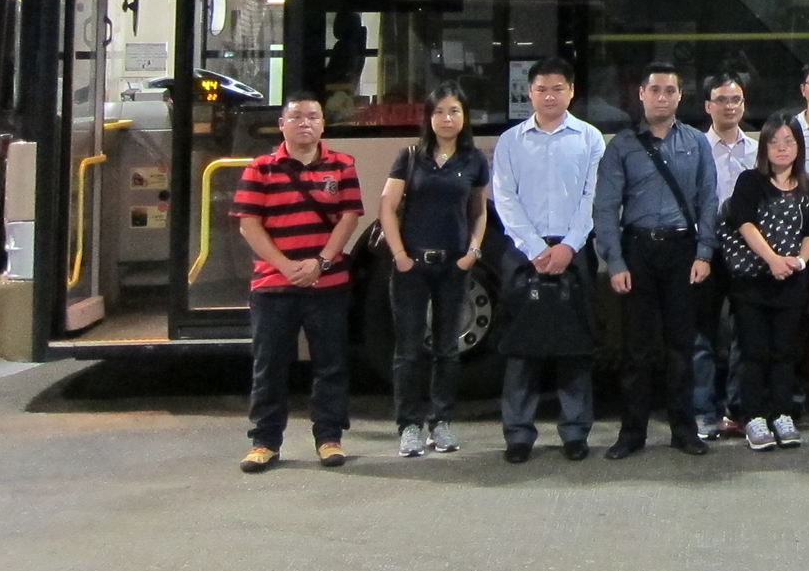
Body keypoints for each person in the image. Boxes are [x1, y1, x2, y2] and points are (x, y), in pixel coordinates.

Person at [593, 63, 716, 460]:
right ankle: (632, 433)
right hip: (637, 251)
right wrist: (615, 262)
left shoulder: (696, 142)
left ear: (680, 96)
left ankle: (684, 430)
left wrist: (704, 252)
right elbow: (605, 207)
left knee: (682, 346)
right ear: (641, 94)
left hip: (683, 250)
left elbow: (708, 200)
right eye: (656, 90)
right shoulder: (622, 146)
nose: (663, 97)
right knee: (636, 349)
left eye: (670, 91)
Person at [233, 94, 363, 472]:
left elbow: (349, 218)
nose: (305, 123)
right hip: (273, 285)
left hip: (329, 283)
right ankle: (265, 442)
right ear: (281, 125)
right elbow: (249, 225)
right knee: (269, 365)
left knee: (331, 364)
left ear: (323, 124)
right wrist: (286, 267)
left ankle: (329, 438)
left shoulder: (343, 165)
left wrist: (320, 263)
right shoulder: (260, 168)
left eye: (313, 117)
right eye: (296, 117)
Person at [492, 56, 606, 462]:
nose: (550, 96)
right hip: (524, 253)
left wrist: (569, 246)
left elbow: (594, 197)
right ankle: (518, 434)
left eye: (558, 88)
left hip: (575, 250)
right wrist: (536, 248)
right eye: (541, 89)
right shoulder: (511, 141)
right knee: (521, 347)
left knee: (574, 346)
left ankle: (575, 432)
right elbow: (504, 198)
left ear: (571, 92)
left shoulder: (590, 138)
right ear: (529, 93)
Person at [378, 84, 489, 458]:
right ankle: (408, 426)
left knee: (447, 350)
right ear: (428, 118)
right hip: (412, 266)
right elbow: (387, 206)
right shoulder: (410, 157)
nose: (447, 119)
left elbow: (479, 211)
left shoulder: (474, 160)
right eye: (439, 111)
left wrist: (473, 251)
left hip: (453, 266)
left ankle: (441, 421)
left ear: (464, 117)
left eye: (454, 111)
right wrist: (399, 255)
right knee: (409, 350)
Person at [723, 113, 809, 450]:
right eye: (775, 142)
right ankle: (753, 417)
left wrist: (799, 261)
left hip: (792, 283)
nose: (782, 148)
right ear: (764, 147)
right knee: (753, 352)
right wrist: (772, 259)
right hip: (752, 283)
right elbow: (744, 223)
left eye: (789, 141)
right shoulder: (750, 181)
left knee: (785, 352)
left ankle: (783, 414)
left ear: (799, 146)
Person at [694, 72, 755, 440]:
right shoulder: (695, 148)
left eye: (735, 100)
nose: (729, 106)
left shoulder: (757, 150)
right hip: (707, 250)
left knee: (743, 333)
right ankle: (703, 411)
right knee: (701, 334)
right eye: (721, 99)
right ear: (707, 106)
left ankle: (737, 410)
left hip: (748, 252)